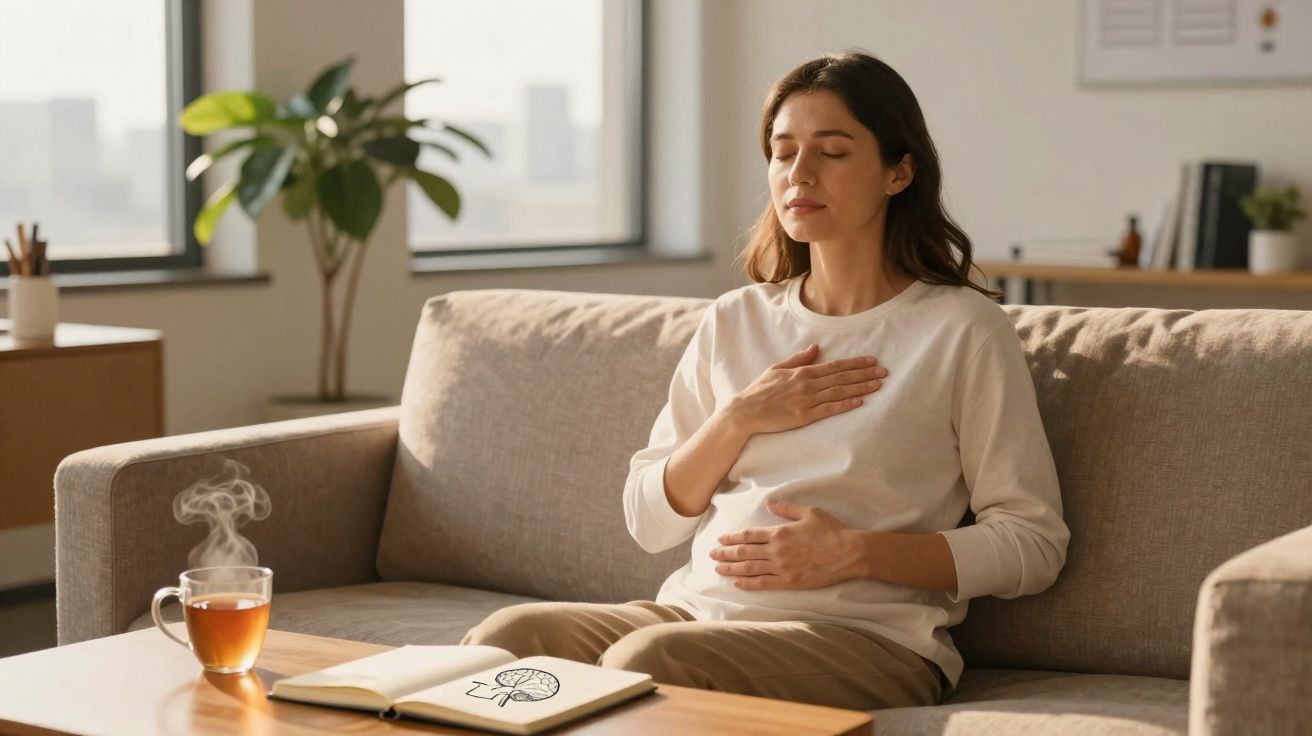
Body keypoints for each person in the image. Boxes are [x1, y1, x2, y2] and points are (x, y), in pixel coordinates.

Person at [462, 49, 1069, 713]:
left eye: (832, 152)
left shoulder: (963, 330)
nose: (798, 174)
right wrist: (739, 418)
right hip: (695, 617)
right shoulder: (736, 320)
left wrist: (856, 554)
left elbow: (1033, 545)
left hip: (865, 640)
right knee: (506, 638)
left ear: (899, 172)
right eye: (783, 152)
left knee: (649, 662)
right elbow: (648, 520)